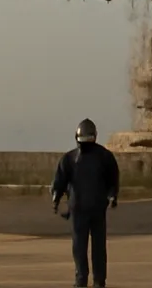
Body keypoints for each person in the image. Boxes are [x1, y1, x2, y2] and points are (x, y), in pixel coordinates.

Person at [51, 119, 120, 288]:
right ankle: (88, 279)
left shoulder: (97, 157)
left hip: (90, 209)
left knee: (90, 247)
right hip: (84, 208)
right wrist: (56, 197)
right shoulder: (73, 158)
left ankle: (92, 279)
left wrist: (112, 196)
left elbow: (112, 180)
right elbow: (60, 181)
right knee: (85, 247)